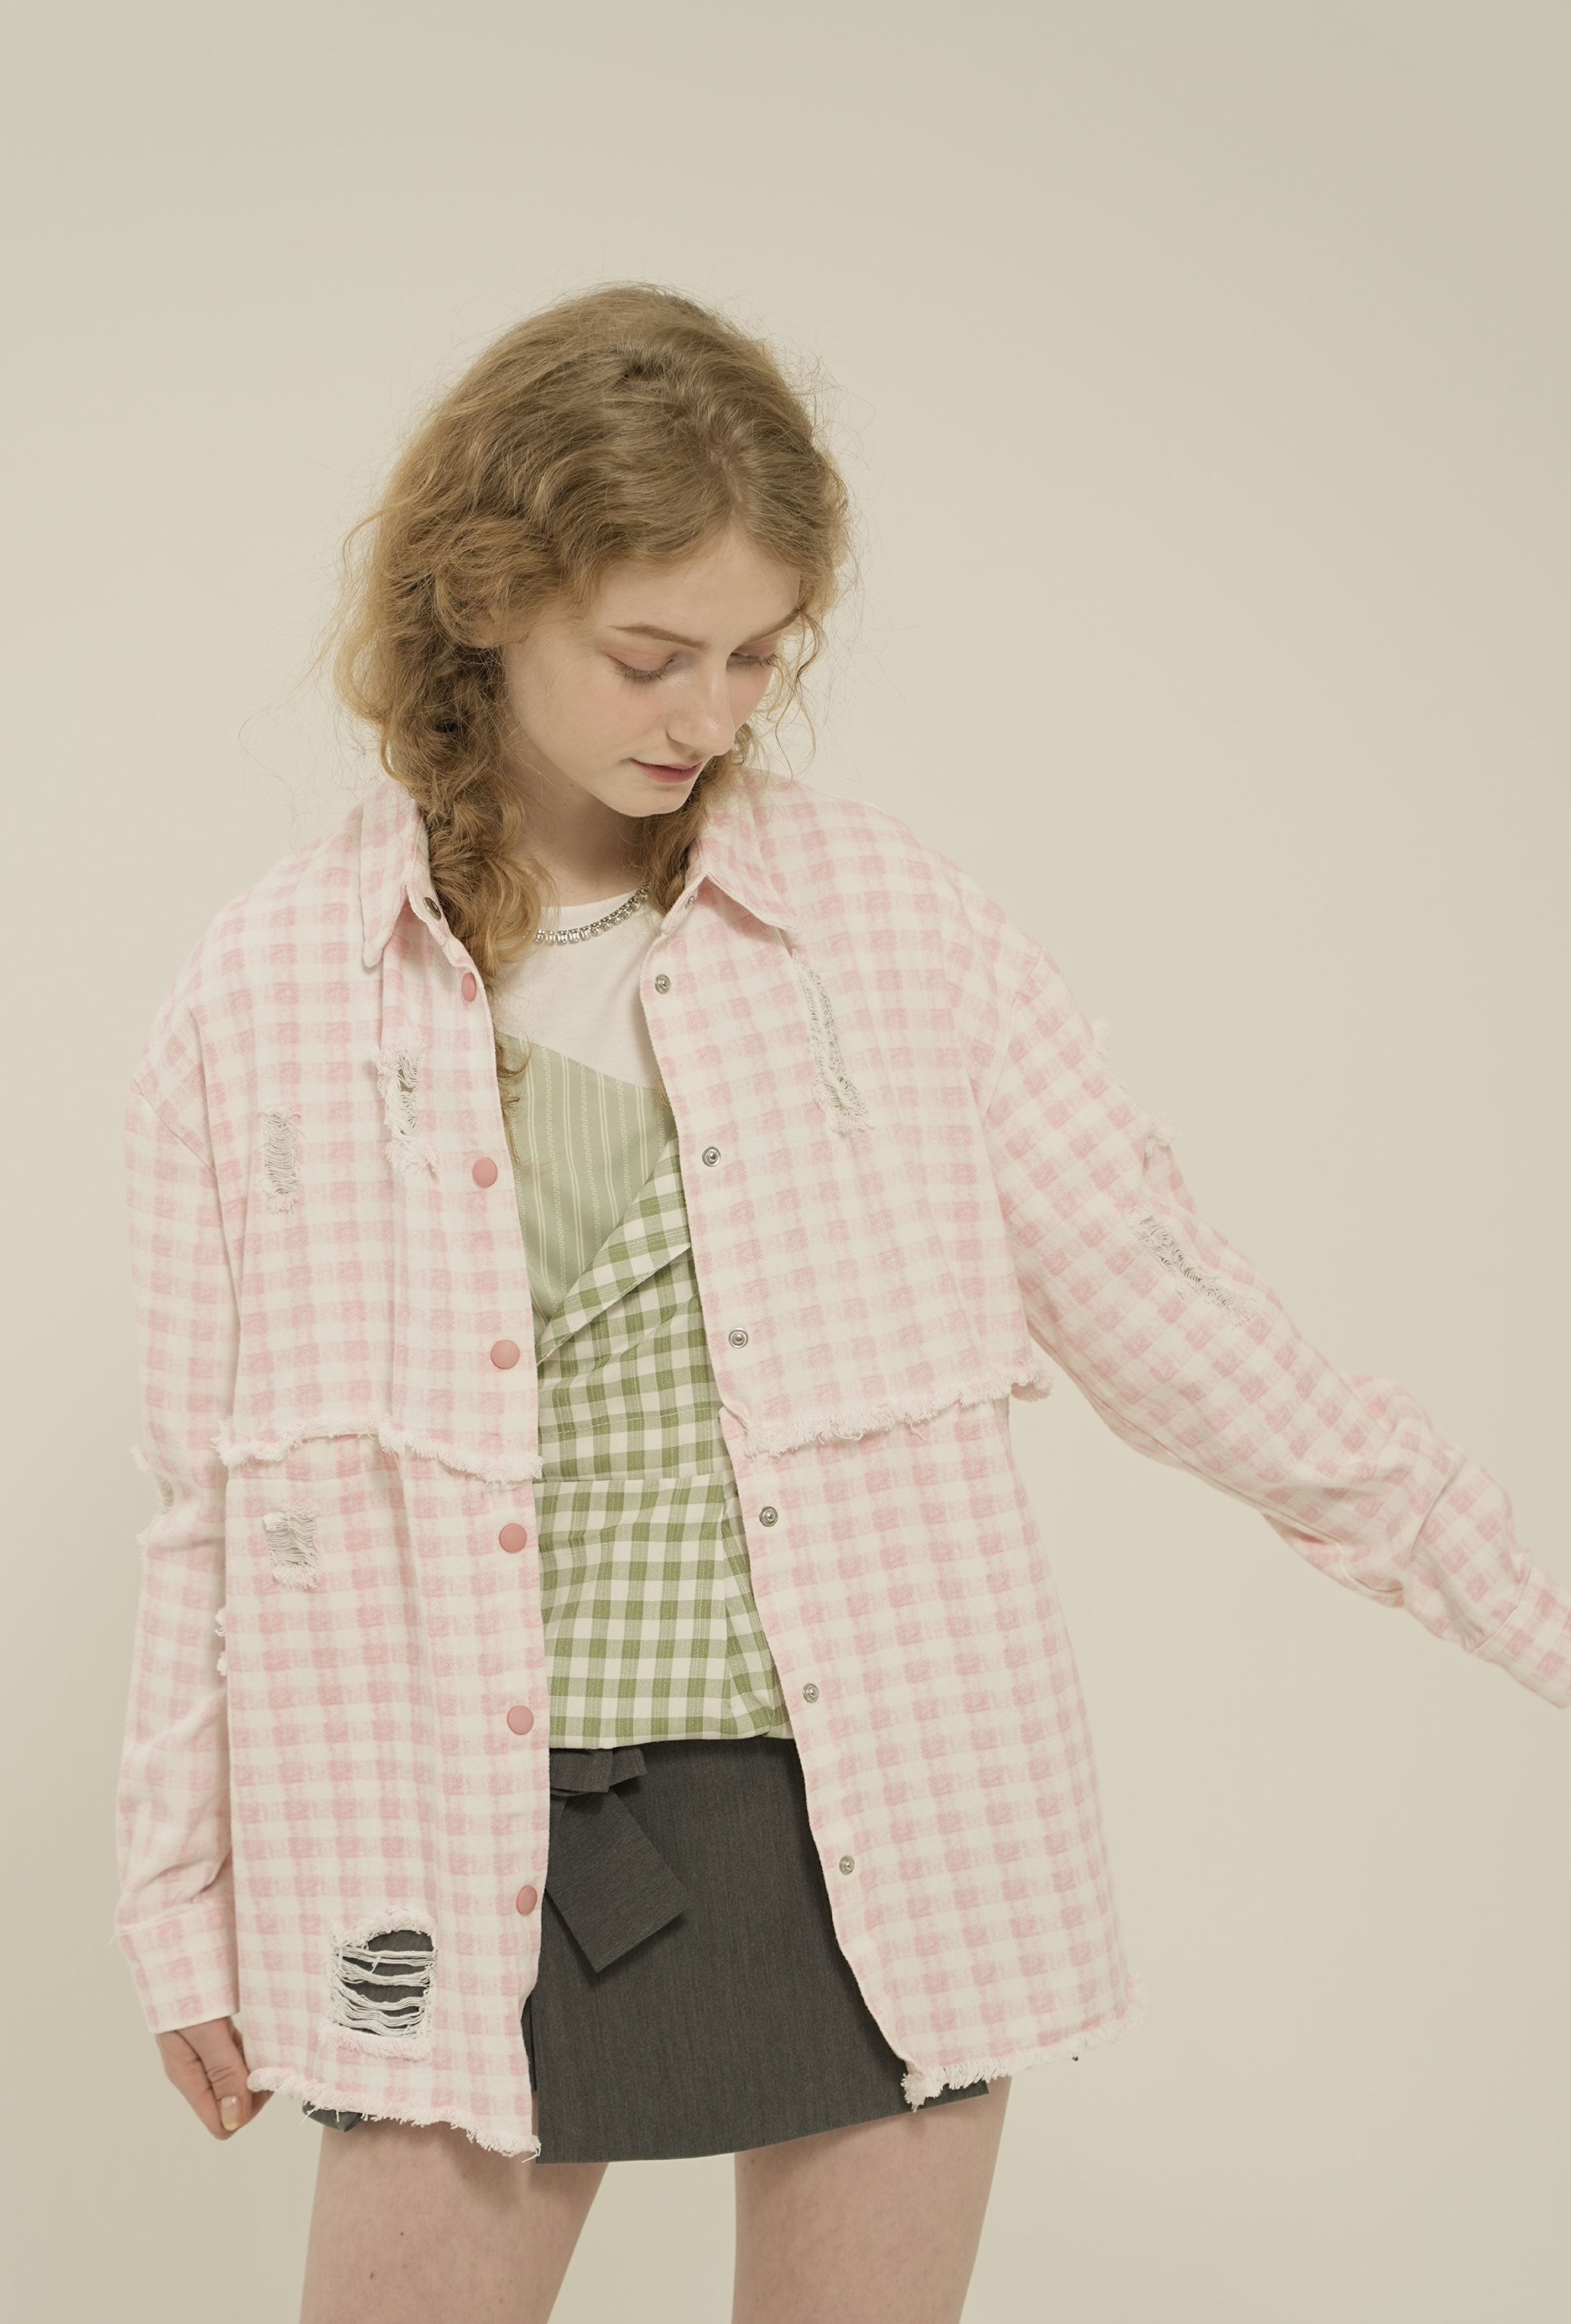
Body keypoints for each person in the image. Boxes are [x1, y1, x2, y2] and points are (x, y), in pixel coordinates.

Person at [115, 283, 1571, 2324]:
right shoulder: (268, 991)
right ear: (487, 598)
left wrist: (1530, 1609)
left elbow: (1190, 1326)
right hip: (444, 1817)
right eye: (651, 655)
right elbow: (207, 1494)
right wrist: (177, 1901)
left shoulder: (892, 934)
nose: (706, 716)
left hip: (878, 1804)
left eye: (755, 658)